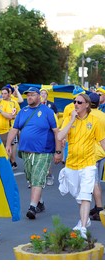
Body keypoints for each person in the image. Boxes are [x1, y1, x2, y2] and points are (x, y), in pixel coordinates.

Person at [6, 87, 62, 220]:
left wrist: (58, 152)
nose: (29, 97)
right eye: (28, 95)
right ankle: (40, 202)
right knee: (31, 178)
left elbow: (56, 132)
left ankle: (32, 207)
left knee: (37, 178)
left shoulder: (47, 112)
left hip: (43, 151)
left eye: (32, 95)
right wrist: (8, 144)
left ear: (39, 96)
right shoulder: (23, 111)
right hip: (26, 151)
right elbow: (14, 129)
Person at [58, 93, 105, 238]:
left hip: (89, 164)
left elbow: (102, 141)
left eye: (79, 102)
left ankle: (83, 227)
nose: (76, 104)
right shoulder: (68, 118)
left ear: (86, 105)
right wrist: (71, 120)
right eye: (74, 102)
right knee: (77, 194)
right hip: (72, 164)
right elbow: (60, 137)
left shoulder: (94, 121)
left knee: (85, 195)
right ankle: (85, 219)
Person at [86, 93, 105, 221]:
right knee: (95, 180)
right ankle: (96, 206)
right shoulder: (103, 115)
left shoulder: (88, 116)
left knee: (94, 182)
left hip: (91, 152)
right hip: (101, 151)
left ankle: (99, 209)